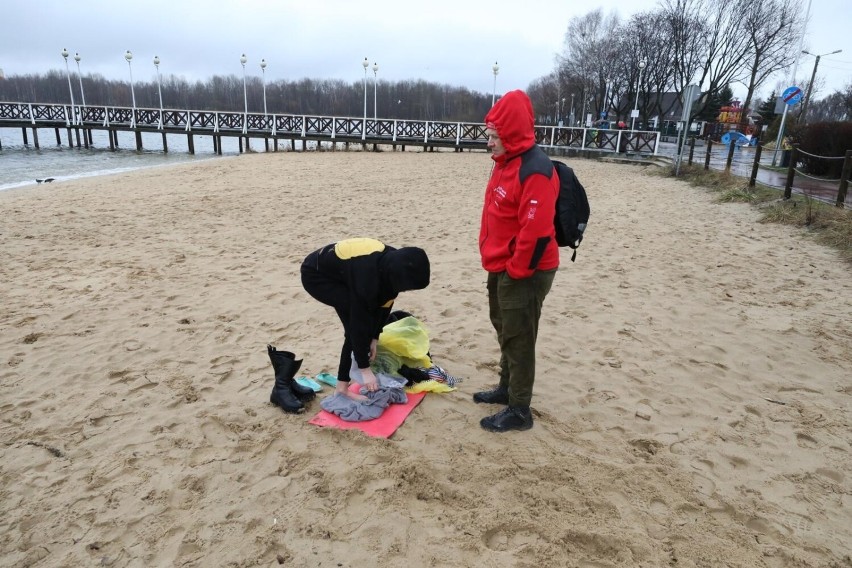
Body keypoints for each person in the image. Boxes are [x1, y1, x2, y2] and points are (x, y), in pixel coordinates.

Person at [474, 90, 559, 433]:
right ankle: (506, 387)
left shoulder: (535, 169)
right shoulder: (504, 163)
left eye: (495, 136)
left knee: (520, 336)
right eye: (489, 135)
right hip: (502, 264)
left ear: (511, 134)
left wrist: (515, 271)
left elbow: (535, 233)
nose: (490, 142)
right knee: (505, 329)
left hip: (525, 270)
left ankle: (520, 410)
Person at [300, 238, 430, 401]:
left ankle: (342, 385)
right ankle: (341, 389)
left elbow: (385, 305)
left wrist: (375, 337)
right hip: (318, 276)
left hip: (346, 270)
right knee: (354, 326)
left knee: (367, 323)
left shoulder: (392, 263)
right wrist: (365, 370)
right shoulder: (367, 280)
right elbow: (357, 324)